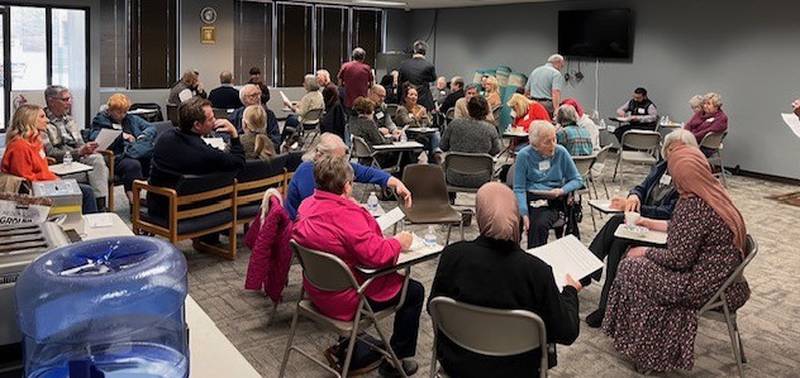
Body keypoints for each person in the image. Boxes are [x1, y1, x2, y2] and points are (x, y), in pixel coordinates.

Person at [603, 144, 750, 373]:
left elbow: (678, 259)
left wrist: (645, 251)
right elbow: (684, 230)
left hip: (702, 286)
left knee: (629, 266)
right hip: (724, 280)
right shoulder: (714, 193)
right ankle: (642, 342)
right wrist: (647, 222)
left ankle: (646, 349)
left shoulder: (693, 205)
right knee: (635, 263)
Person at [429, 182, 580, 377]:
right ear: (516, 218)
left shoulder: (452, 256)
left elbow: (433, 309)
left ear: (480, 215)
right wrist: (570, 291)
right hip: (517, 370)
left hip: (459, 364)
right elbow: (567, 333)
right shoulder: (537, 271)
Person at [292, 155, 422, 377]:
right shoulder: (347, 216)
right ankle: (396, 360)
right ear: (346, 186)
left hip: (316, 291)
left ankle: (354, 346)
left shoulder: (306, 206)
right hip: (348, 299)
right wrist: (399, 242)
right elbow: (377, 255)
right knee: (415, 290)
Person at [583, 129, 697, 329]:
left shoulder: (688, 178)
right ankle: (606, 302)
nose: (673, 155)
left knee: (617, 224)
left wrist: (637, 209)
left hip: (665, 233)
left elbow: (670, 214)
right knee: (617, 239)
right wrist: (634, 196)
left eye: (678, 150)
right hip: (645, 222)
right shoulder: (662, 167)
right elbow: (642, 186)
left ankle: (588, 271)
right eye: (670, 150)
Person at [148, 97, 245, 219]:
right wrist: (234, 134)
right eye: (211, 119)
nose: (215, 121)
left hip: (159, 204)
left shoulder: (164, 137)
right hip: (189, 210)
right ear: (197, 125)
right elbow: (239, 162)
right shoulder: (206, 154)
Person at [285, 133, 412, 221]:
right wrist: (350, 204)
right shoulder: (307, 172)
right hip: (302, 227)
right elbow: (318, 209)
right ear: (321, 155)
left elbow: (367, 173)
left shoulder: (333, 165)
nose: (343, 162)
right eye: (339, 159)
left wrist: (395, 182)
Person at [2, 104, 97, 213]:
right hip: (34, 191)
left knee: (84, 189)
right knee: (87, 192)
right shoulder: (19, 146)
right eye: (42, 117)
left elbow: (43, 171)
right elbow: (25, 182)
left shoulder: (36, 142)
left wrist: (55, 180)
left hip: (45, 184)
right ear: (30, 120)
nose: (47, 120)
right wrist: (54, 182)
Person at [513, 121, 582, 248]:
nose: (553, 145)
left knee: (539, 224)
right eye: (547, 142)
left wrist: (562, 190)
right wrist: (524, 213)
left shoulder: (561, 152)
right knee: (513, 221)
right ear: (535, 145)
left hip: (553, 200)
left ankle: (536, 261)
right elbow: (519, 188)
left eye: (554, 139)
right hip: (530, 198)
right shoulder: (524, 155)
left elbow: (577, 180)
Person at [41, 85, 109, 204]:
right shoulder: (42, 122)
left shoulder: (69, 120)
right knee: (99, 170)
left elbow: (79, 144)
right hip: (60, 161)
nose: (70, 103)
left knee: (97, 159)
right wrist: (79, 152)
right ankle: (98, 204)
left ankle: (100, 203)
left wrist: (88, 149)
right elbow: (50, 153)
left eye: (70, 99)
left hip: (77, 158)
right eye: (65, 100)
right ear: (51, 101)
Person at [90, 93, 154, 204]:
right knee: (133, 165)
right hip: (115, 156)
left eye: (125, 112)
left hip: (134, 152)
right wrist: (121, 135)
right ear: (110, 110)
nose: (123, 115)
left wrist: (142, 136)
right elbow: (95, 137)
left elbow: (151, 128)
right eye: (119, 112)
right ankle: (134, 202)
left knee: (155, 161)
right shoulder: (101, 120)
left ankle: (153, 199)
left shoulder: (131, 119)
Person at [440, 96, 501, 188]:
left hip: (454, 176)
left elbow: (443, 146)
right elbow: (496, 150)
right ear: (486, 110)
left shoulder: (454, 124)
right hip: (482, 177)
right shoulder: (490, 129)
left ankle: (451, 197)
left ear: (468, 108)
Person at [228, 84, 280, 150]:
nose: (258, 97)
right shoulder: (236, 115)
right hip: (242, 151)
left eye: (259, 94)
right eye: (253, 95)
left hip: (263, 152)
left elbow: (276, 140)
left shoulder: (269, 114)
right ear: (244, 99)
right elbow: (224, 133)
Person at [398, 40, 437, 111]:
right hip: (424, 102)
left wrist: (399, 101)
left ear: (414, 50)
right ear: (425, 52)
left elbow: (400, 84)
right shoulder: (429, 66)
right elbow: (433, 78)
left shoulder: (403, 64)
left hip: (407, 102)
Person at [283, 74, 325, 138]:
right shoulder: (319, 95)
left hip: (305, 123)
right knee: (291, 118)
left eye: (304, 82)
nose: (303, 84)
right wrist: (296, 103)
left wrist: (290, 106)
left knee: (290, 118)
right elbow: (311, 106)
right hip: (315, 122)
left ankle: (283, 139)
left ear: (308, 84)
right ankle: (292, 138)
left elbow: (301, 113)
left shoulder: (307, 97)